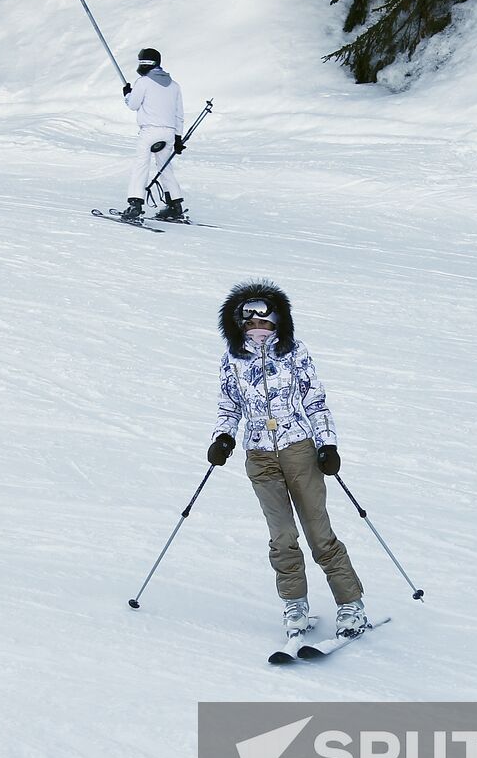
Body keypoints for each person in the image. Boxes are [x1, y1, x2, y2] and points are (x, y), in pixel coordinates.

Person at [207, 281, 370, 637]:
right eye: (249, 322)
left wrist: (327, 445)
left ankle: (350, 604)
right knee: (281, 536)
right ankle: (294, 603)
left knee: (318, 532)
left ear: (278, 322)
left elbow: (315, 401)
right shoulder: (232, 359)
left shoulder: (295, 353)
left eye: (264, 321)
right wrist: (223, 436)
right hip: (259, 453)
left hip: (299, 449)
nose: (257, 328)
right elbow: (229, 403)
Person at [121, 46, 188, 222]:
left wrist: (127, 94)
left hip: (149, 131)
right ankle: (175, 205)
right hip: (168, 133)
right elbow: (179, 114)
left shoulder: (142, 82)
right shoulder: (174, 86)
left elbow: (133, 105)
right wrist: (178, 138)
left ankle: (135, 205)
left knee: (141, 165)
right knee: (165, 168)